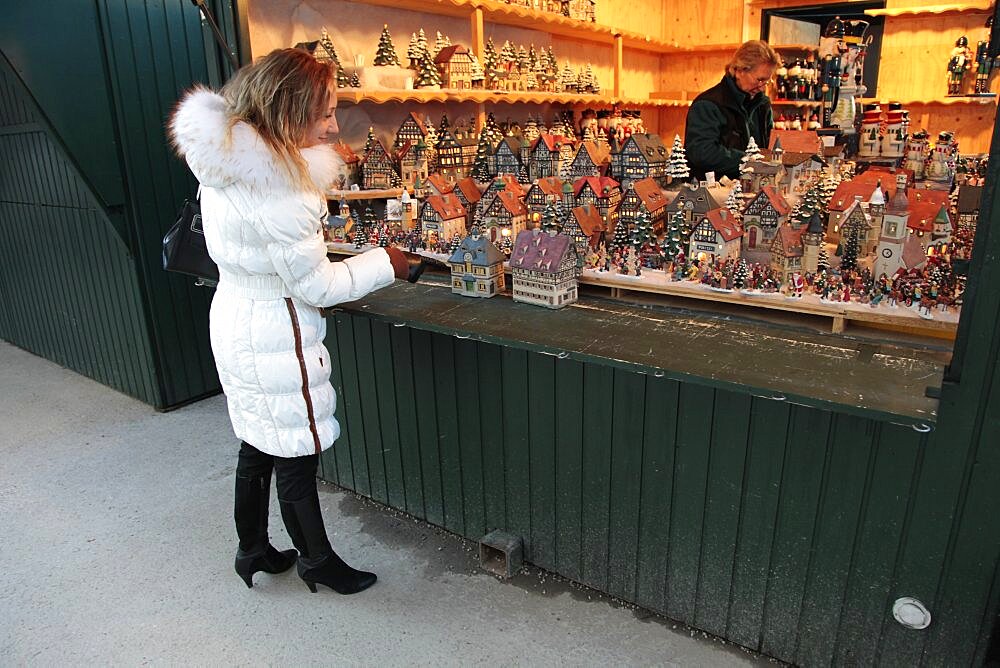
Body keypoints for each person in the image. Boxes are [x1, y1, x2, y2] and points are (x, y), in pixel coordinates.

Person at [169, 48, 421, 595]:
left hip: (235, 317)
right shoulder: (281, 190)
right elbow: (317, 286)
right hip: (276, 332)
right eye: (323, 113)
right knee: (296, 456)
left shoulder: (224, 161)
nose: (333, 126)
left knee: (257, 441)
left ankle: (252, 549)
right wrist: (388, 263)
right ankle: (317, 562)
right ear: (287, 112)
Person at [684, 40, 780, 181]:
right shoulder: (707, 105)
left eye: (767, 82)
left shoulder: (762, 105)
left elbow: (769, 146)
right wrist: (749, 162)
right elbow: (702, 152)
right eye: (759, 80)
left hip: (752, 186)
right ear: (740, 70)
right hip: (713, 192)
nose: (762, 87)